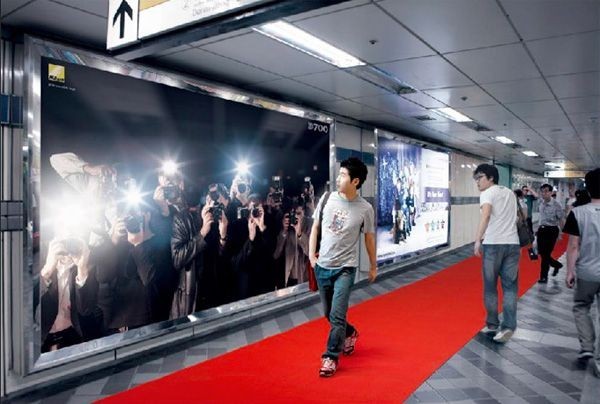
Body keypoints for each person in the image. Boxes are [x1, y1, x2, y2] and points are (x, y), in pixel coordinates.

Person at [309, 157, 376, 377]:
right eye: (339, 174)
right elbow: (315, 227)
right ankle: (350, 332)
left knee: (337, 314)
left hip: (345, 268)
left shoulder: (365, 208)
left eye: (343, 175)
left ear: (355, 181)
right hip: (322, 266)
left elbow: (369, 238)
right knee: (328, 314)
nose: (338, 178)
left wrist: (373, 265)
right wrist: (311, 256)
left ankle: (330, 357)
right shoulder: (327, 198)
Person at [473, 164, 520, 344]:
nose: (477, 182)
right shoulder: (510, 193)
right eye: (476, 178)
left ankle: (492, 324)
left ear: (491, 177)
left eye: (480, 177)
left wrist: (478, 240)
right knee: (510, 288)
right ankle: (508, 327)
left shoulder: (487, 193)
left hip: (493, 244)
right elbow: (516, 217)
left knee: (490, 287)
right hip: (513, 244)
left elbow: (485, 216)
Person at [563, 168, 600, 378]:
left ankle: (587, 346)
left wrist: (570, 271)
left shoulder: (577, 213)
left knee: (581, 306)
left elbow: (573, 246)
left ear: (588, 188)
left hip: (587, 272)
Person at [40, 238, 98, 351]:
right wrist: (47, 271)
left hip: (72, 333)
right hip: (42, 336)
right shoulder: (37, 258)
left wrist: (82, 269)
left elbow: (86, 310)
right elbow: (30, 311)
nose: (67, 246)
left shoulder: (87, 264)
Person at [273, 203, 313, 287]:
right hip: (289, 275)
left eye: (299, 213)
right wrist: (284, 231)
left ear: (304, 212)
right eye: (293, 214)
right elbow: (276, 254)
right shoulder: (287, 226)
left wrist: (299, 232)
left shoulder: (310, 224)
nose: (296, 217)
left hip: (304, 275)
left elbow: (309, 252)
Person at [537, 184, 565, 282]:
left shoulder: (557, 205)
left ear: (551, 192)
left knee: (546, 254)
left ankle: (543, 277)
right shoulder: (541, 202)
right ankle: (557, 265)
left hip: (551, 231)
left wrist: (561, 233)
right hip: (541, 230)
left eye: (546, 191)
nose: (543, 193)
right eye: (542, 191)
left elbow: (561, 219)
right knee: (542, 253)